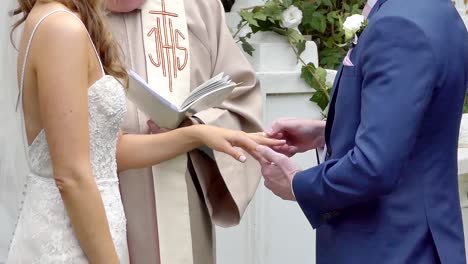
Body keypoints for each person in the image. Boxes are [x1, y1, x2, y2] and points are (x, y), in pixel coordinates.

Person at [2, 0, 283, 262]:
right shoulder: (62, 26)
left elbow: (103, 150)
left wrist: (196, 133)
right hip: (77, 230)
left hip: (119, 213)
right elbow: (72, 175)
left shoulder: (54, 19)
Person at [257, 0, 468, 263]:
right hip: (421, 239)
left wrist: (297, 184)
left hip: (391, 247)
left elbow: (373, 167)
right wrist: (326, 132)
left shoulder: (399, 26)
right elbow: (417, 126)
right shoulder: (436, 10)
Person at [105, 0, 264, 263]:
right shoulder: (69, 13)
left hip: (182, 198)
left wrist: (197, 126)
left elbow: (240, 96)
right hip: (99, 194)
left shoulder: (198, 6)